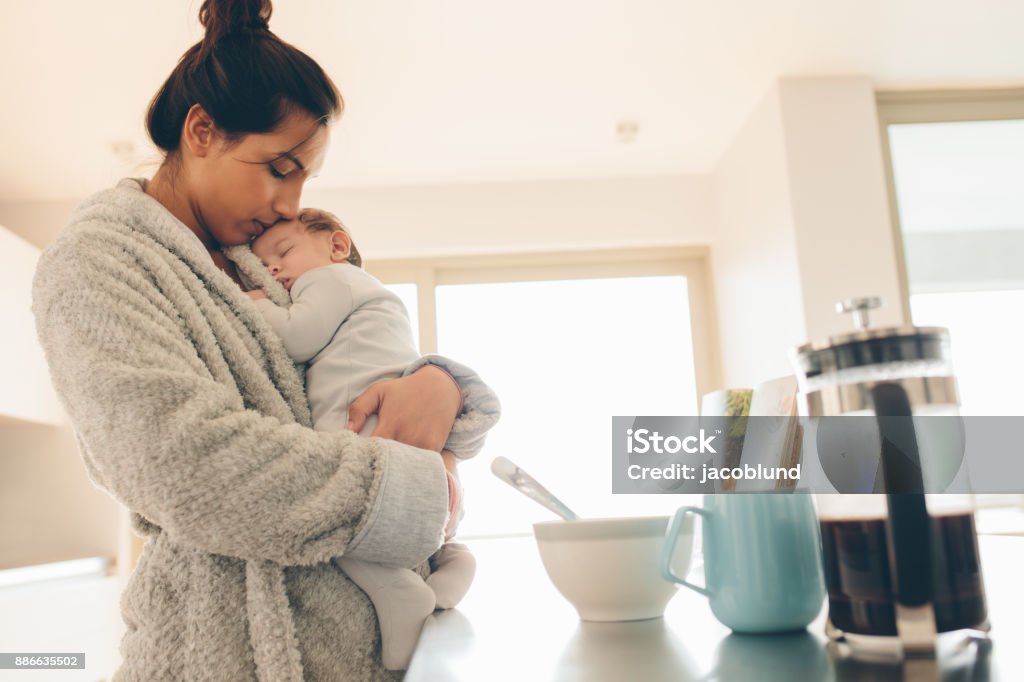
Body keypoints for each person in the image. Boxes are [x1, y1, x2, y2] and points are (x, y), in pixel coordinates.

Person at [31, 1, 500, 680]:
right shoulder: (96, 262)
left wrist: (437, 382)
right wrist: (409, 488)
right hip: (226, 656)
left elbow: (342, 364)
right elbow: (183, 464)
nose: (291, 203)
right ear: (201, 130)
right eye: (280, 168)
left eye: (305, 177)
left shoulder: (252, 264)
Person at [241, 209, 478, 670]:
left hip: (364, 428)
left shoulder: (333, 280)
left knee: (344, 527)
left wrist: (254, 303)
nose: (271, 269)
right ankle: (455, 562)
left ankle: (399, 591)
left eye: (283, 252)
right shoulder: (366, 298)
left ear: (336, 245)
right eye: (261, 263)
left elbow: (297, 338)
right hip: (403, 445)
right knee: (417, 525)